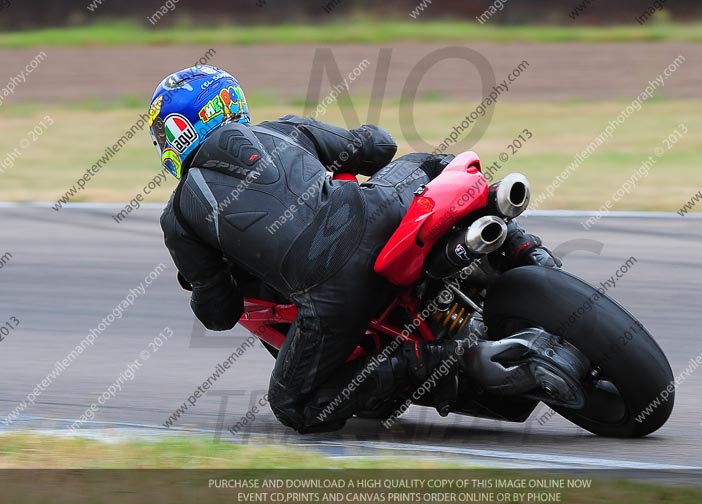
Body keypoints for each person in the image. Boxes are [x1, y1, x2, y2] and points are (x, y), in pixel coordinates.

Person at [151, 65, 557, 433]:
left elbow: (220, 314)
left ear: (179, 132)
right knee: (431, 163)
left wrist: (204, 286)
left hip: (334, 295)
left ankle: (445, 357)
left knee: (295, 405)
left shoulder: (179, 215)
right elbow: (380, 147)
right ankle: (526, 250)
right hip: (382, 213)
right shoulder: (285, 129)